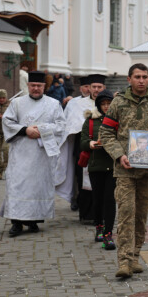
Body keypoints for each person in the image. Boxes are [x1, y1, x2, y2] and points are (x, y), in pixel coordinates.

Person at [99, 63, 148, 278]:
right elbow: (105, 132)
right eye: (137, 77)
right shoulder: (118, 103)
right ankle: (123, 261)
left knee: (140, 216)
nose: (141, 80)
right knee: (125, 214)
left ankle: (134, 256)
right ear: (129, 79)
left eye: (144, 76)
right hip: (125, 169)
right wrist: (118, 154)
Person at [1, 71, 65, 237]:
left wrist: (41, 129)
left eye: (39, 86)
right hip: (21, 152)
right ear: (28, 86)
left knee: (37, 187)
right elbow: (7, 121)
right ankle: (16, 223)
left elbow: (60, 126)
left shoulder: (53, 104)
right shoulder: (16, 103)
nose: (36, 88)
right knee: (17, 186)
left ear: (45, 86)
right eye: (33, 85)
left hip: (41, 155)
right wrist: (25, 130)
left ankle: (33, 221)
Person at [54, 75, 100, 215]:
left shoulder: (107, 103)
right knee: (81, 178)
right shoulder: (76, 103)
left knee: (99, 180)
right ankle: (83, 210)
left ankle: (98, 211)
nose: (95, 89)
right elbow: (69, 124)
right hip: (82, 146)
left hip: (102, 148)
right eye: (93, 87)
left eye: (99, 87)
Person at [80, 90, 116, 250]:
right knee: (98, 199)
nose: (106, 107)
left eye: (109, 103)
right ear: (99, 105)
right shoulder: (91, 120)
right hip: (96, 166)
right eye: (103, 104)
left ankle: (108, 234)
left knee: (110, 200)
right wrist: (91, 144)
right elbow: (82, 141)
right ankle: (99, 227)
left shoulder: (117, 119)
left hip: (113, 166)